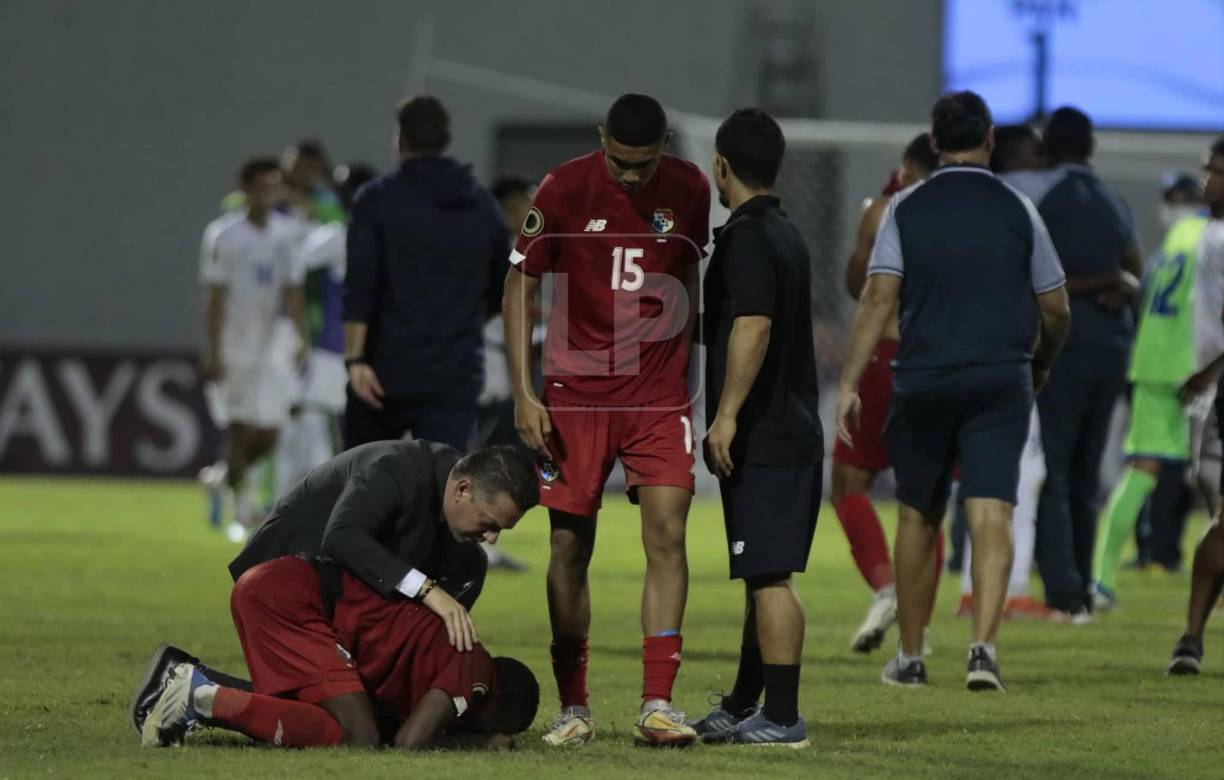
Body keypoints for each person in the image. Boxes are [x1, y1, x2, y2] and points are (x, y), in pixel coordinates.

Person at [835, 90, 1070, 691]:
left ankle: (911, 658)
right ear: (990, 139)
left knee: (919, 513)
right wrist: (1040, 362)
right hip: (999, 376)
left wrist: (849, 381)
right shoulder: (1020, 209)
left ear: (934, 143)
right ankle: (983, 652)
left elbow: (878, 297)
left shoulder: (905, 208)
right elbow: (1056, 307)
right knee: (991, 509)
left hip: (924, 375)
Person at [502, 93, 710, 746]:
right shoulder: (562, 187)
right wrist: (523, 392)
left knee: (669, 537)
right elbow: (519, 285)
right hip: (576, 397)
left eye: (642, 164)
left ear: (664, 148)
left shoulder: (692, 188)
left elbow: (689, 274)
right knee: (568, 547)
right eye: (620, 162)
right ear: (602, 140)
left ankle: (658, 703)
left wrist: (691, 370)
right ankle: (574, 709)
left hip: (657, 397)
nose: (629, 177)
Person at [681, 109, 818, 749]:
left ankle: (784, 717)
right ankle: (743, 703)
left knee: (770, 577)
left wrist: (727, 415)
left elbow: (754, 324)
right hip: (789, 429)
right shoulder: (784, 230)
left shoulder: (748, 237)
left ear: (722, 165)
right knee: (759, 570)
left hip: (769, 433)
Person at [137, 556, 539, 750]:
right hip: (297, 598)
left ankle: (189, 682)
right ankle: (196, 696)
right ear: (492, 698)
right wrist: (480, 745)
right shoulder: (477, 668)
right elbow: (410, 743)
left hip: (284, 590)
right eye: (492, 724)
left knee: (324, 726)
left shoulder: (443, 666)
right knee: (357, 735)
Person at [1003, 107, 1142, 619]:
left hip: (1063, 345)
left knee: (1054, 469)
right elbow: (1133, 268)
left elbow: (1037, 274)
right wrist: (1118, 285)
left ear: (1045, 148)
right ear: (1092, 148)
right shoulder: (1114, 199)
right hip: (1114, 345)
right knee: (1087, 470)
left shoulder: (1037, 194)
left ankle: (1062, 590)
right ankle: (1083, 584)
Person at [230, 441, 539, 649]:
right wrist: (427, 589)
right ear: (462, 489)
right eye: (489, 523)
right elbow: (341, 535)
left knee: (361, 715)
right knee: (333, 714)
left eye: (502, 530)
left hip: (341, 598)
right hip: (279, 584)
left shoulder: (468, 560)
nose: (492, 539)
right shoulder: (396, 468)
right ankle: (199, 689)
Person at [1096, 137, 1224, 612]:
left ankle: (1102, 581)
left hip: (1153, 359)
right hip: (1199, 366)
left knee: (1143, 471)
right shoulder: (1212, 236)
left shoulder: (1183, 232)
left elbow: (1150, 292)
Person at [344, 96, 509, 451]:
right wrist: (462, 322)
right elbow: (503, 287)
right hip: (454, 371)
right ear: (446, 140)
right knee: (443, 486)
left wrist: (355, 358)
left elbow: (361, 285)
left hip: (384, 369)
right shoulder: (480, 203)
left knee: (365, 485)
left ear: (400, 139)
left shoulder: (376, 200)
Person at [832, 133, 941, 654]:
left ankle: (884, 586)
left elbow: (859, 284)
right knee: (928, 498)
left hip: (885, 356)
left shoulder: (883, 210)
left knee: (849, 482)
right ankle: (916, 631)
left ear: (907, 165)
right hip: (938, 361)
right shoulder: (961, 215)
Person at [199, 157, 309, 537]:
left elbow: (293, 291)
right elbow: (214, 295)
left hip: (274, 345)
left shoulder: (287, 234)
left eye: (274, 186)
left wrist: (301, 339)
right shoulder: (223, 235)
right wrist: (213, 349)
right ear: (245, 190)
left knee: (271, 431)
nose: (269, 193)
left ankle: (219, 479)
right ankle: (240, 512)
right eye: (262, 186)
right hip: (235, 344)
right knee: (242, 429)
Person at [274, 163, 379, 496]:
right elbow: (290, 272)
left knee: (324, 431)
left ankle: (306, 506)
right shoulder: (339, 237)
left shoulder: (343, 236)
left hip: (351, 349)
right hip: (344, 350)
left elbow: (291, 267)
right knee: (314, 429)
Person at [476, 175, 539, 572]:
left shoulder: (504, 246)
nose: (532, 212)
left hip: (492, 357)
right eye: (525, 204)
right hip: (485, 358)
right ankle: (475, 545)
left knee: (487, 446)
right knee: (481, 449)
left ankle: (482, 546)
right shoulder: (495, 247)